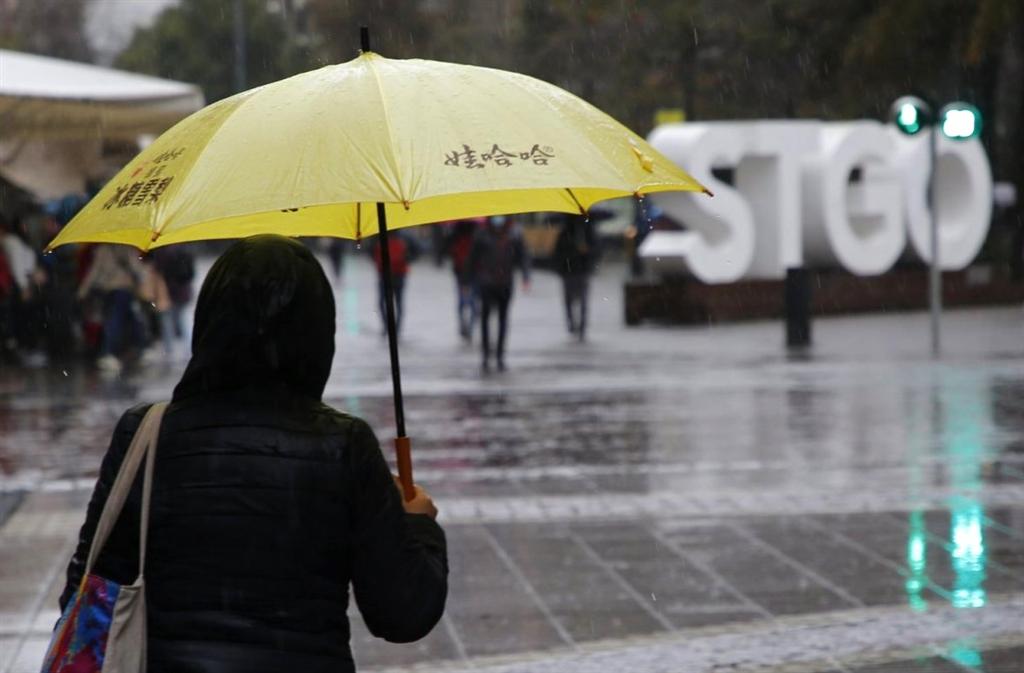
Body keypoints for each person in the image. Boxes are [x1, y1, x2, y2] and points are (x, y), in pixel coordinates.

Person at [58, 235, 447, 673]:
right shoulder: (344, 444)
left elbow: (84, 593)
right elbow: (402, 613)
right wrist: (418, 525)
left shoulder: (145, 433)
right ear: (319, 331)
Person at [468, 215, 530, 371]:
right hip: (487, 284)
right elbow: (472, 258)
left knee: (503, 320)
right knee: (485, 319)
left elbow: (523, 256)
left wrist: (526, 276)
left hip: (505, 284)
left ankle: (500, 356)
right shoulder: (482, 234)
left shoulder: (513, 234)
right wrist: (466, 280)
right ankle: (486, 355)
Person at [77, 244, 145, 372]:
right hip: (124, 289)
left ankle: (127, 349)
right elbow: (137, 269)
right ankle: (110, 352)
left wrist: (83, 290)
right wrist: (142, 278)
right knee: (119, 321)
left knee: (118, 320)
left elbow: (94, 271)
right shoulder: (128, 249)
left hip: (109, 290)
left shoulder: (101, 250)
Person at [551, 214, 599, 340]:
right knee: (570, 299)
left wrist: (587, 253)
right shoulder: (565, 233)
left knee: (581, 299)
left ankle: (581, 326)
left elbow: (595, 250)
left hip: (581, 270)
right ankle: (572, 324)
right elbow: (558, 253)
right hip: (569, 271)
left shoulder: (587, 231)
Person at [371, 231, 418, 336]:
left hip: (389, 275)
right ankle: (394, 328)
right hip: (393, 275)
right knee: (395, 303)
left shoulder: (381, 238)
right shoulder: (403, 238)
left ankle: (391, 328)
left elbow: (372, 255)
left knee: (387, 303)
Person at [445, 219, 482, 341]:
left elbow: (450, 252)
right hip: (472, 273)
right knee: (472, 302)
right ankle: (469, 328)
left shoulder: (456, 234)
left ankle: (464, 326)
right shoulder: (477, 235)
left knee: (463, 302)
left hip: (462, 272)